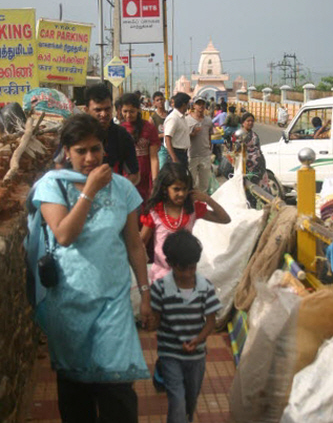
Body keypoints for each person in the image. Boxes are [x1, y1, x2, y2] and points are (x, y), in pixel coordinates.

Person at [32, 114, 152, 423]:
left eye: (95, 149)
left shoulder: (123, 188)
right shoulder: (52, 185)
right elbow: (64, 234)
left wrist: (145, 291)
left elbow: (134, 245)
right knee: (76, 396)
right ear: (67, 152)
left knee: (118, 391)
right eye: (81, 151)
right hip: (70, 303)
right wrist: (90, 190)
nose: (89, 158)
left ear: (104, 150)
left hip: (113, 302)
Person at [150, 229, 222, 423]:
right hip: (169, 354)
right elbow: (154, 320)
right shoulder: (160, 288)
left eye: (192, 268)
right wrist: (149, 320)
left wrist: (198, 340)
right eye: (183, 269)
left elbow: (211, 322)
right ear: (171, 264)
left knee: (191, 399)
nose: (188, 274)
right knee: (177, 399)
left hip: (197, 356)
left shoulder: (205, 287)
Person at [140, 162, 230, 283]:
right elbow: (141, 242)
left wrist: (207, 199)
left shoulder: (192, 209)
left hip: (186, 279)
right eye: (176, 189)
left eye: (184, 189)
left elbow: (225, 219)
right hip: (161, 279)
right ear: (165, 189)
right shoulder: (156, 211)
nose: (181, 194)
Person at [84, 84, 140, 185]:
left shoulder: (122, 136)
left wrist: (118, 192)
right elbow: (60, 167)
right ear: (86, 110)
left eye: (107, 109)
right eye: (98, 110)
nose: (104, 114)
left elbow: (134, 175)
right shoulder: (76, 134)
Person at [121, 92, 160, 204]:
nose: (128, 115)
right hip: (126, 178)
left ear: (138, 110)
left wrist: (155, 182)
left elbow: (153, 158)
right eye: (125, 111)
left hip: (145, 178)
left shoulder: (149, 128)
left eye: (132, 111)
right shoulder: (119, 130)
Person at [240, 112, 272, 204]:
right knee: (248, 188)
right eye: (248, 121)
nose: (250, 123)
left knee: (260, 188)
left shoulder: (255, 135)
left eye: (252, 121)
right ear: (243, 122)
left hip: (259, 167)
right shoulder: (239, 135)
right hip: (246, 167)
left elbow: (258, 149)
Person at [186, 95, 214, 192]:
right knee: (191, 183)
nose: (201, 106)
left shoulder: (208, 120)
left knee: (204, 184)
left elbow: (209, 135)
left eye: (203, 104)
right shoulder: (187, 120)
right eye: (198, 104)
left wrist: (210, 149)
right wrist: (192, 134)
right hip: (192, 155)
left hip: (205, 155)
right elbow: (183, 137)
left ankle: (202, 204)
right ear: (194, 105)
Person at [164, 92, 191, 167]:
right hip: (176, 153)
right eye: (188, 104)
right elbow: (167, 138)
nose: (189, 106)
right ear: (183, 105)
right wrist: (174, 158)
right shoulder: (173, 118)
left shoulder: (182, 117)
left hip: (183, 154)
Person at [149, 91, 168, 168]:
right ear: (154, 103)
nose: (160, 102)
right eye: (157, 100)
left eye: (161, 99)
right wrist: (164, 135)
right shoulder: (153, 118)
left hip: (172, 146)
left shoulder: (169, 115)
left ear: (164, 100)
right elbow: (150, 137)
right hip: (160, 148)